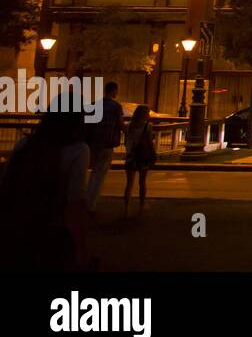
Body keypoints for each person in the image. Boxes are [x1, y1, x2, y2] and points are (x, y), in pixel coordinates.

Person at [0, 102, 89, 270]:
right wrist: (81, 248)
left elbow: (7, 180)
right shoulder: (79, 150)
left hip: (18, 222)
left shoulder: (26, 143)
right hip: (52, 226)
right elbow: (74, 202)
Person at [84, 81, 124, 213]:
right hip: (107, 144)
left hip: (94, 144)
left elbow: (88, 124)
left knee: (91, 173)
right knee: (99, 175)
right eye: (116, 91)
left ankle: (86, 199)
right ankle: (91, 204)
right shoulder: (116, 107)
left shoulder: (95, 105)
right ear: (113, 91)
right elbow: (120, 124)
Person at [122, 105, 156, 216]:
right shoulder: (148, 126)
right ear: (144, 114)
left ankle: (126, 209)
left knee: (129, 184)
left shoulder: (128, 126)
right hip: (143, 158)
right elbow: (150, 143)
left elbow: (126, 141)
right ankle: (141, 207)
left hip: (131, 157)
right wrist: (153, 155)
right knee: (142, 182)